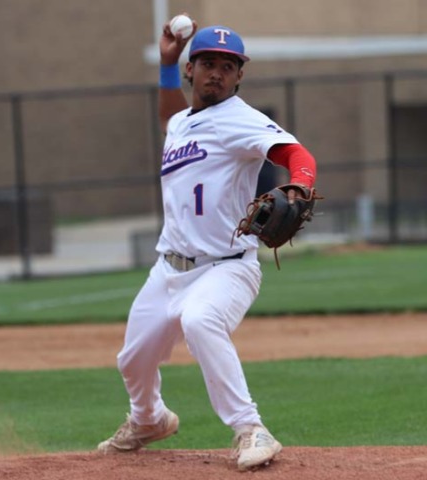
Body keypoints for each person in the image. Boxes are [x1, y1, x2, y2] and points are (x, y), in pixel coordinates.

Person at [97, 18, 317, 471]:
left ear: (239, 75)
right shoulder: (182, 122)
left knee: (200, 321)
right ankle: (149, 419)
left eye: (227, 66)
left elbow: (297, 154)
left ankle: (250, 428)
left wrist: (299, 184)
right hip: (168, 269)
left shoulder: (241, 119)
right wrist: (164, 63)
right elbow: (169, 119)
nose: (217, 72)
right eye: (207, 63)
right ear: (190, 69)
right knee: (133, 360)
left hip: (227, 266)